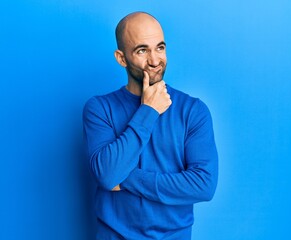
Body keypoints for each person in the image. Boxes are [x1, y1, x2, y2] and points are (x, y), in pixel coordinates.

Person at [83, 11, 218, 240]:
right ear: (121, 58)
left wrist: (125, 179)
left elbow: (203, 185)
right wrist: (149, 110)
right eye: (142, 50)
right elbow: (107, 175)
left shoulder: (193, 111)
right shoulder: (99, 108)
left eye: (160, 48)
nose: (155, 60)